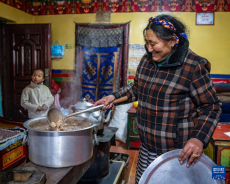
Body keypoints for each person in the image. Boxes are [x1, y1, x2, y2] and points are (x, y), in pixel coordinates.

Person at [94, 14, 222, 183]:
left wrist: (198, 138)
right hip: (147, 147)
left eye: (153, 43)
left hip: (177, 152)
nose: (149, 48)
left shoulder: (192, 65)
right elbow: (136, 88)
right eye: (146, 42)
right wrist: (112, 97)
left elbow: (211, 106)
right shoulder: (148, 60)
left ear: (172, 41)